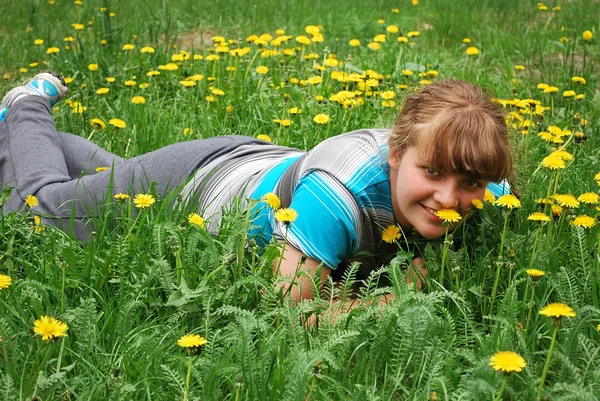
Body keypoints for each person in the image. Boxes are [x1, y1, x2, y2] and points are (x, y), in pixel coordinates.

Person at [0, 72, 512, 304]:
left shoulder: (466, 174)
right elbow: (292, 305)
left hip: (255, 166)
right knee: (41, 207)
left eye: (470, 182)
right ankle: (25, 108)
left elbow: (493, 182)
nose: (450, 199)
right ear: (396, 156)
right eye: (434, 175)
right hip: (197, 181)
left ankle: (23, 140)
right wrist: (392, 298)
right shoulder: (336, 198)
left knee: (116, 182)